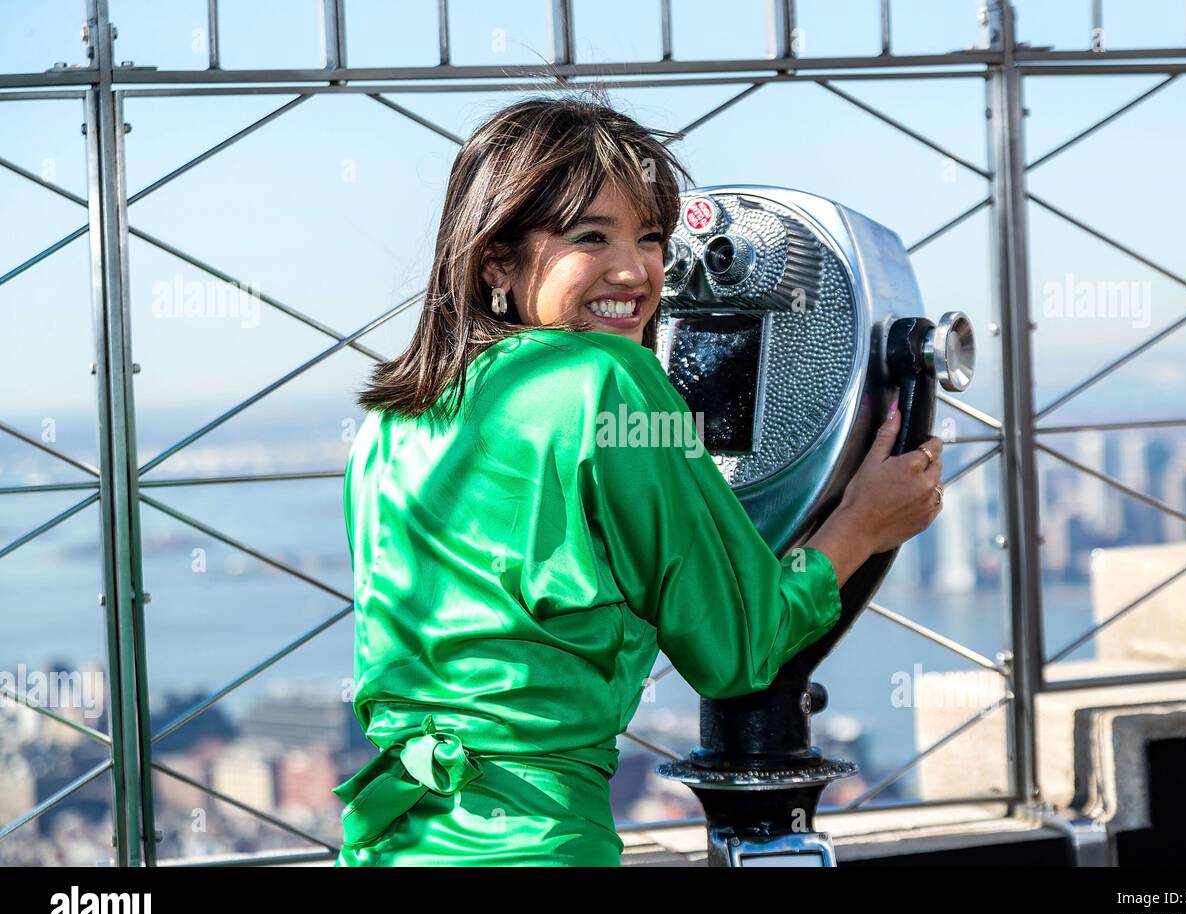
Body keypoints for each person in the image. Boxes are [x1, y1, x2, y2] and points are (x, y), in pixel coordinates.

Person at [331, 93, 945, 867]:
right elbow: (737, 649)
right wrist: (865, 521)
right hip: (535, 846)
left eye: (652, 239)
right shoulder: (607, 377)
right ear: (496, 259)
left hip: (395, 839)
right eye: (592, 237)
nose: (637, 270)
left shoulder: (390, 421)